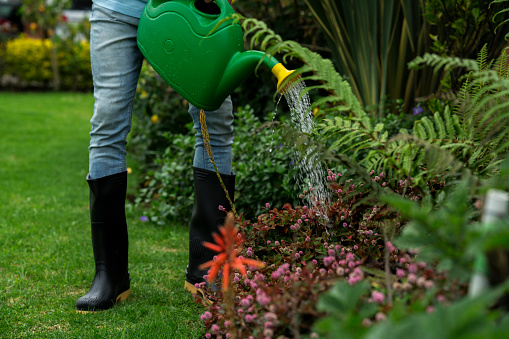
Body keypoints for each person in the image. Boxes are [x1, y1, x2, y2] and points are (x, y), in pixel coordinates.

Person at [76, 0, 235, 313]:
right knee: (107, 119)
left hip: (193, 7)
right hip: (117, 7)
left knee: (214, 115)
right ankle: (110, 274)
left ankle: (209, 268)